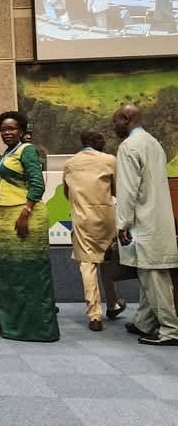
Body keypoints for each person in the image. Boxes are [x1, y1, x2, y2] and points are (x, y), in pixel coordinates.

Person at [113, 104, 178, 346]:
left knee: (154, 278)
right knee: (149, 274)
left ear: (126, 118)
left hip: (143, 220)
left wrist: (122, 223)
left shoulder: (129, 146)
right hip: (159, 218)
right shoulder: (153, 143)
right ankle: (144, 322)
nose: (114, 127)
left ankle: (171, 330)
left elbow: (128, 189)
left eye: (116, 122)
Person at [0, 111, 59, 342]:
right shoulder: (7, 153)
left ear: (21, 131)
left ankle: (38, 330)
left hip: (25, 216)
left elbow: (37, 184)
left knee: (30, 273)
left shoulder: (27, 150)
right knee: (12, 273)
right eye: (3, 129)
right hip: (5, 217)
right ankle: (13, 326)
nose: (7, 132)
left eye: (12, 128)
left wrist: (25, 213)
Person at [63, 129, 126, 331]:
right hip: (106, 217)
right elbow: (118, 190)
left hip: (82, 219)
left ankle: (94, 315)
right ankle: (113, 304)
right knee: (107, 260)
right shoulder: (109, 160)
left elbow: (66, 193)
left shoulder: (70, 163)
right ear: (100, 143)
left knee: (87, 264)